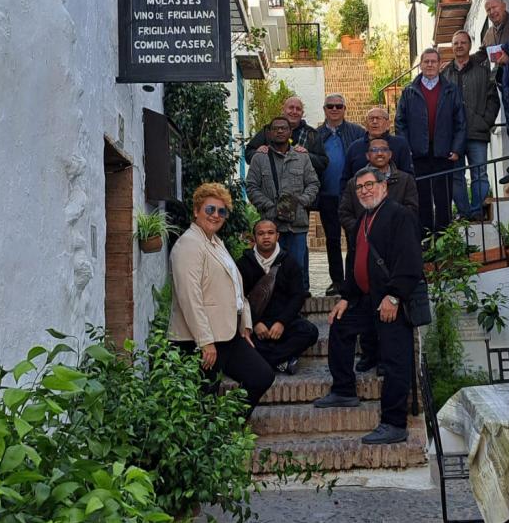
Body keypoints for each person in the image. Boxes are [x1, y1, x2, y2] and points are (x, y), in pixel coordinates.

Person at [314, 165, 423, 446]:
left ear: (383, 186)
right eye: (359, 187)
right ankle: (344, 389)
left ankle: (394, 423)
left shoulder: (399, 216)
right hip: (365, 299)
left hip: (390, 301)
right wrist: (346, 297)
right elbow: (355, 263)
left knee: (395, 360)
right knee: (340, 325)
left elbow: (410, 261)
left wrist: (395, 296)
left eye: (369, 185)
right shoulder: (363, 219)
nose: (364, 190)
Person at [168, 182, 275, 413]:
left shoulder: (216, 243)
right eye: (210, 209)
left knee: (261, 376)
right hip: (200, 339)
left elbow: (236, 287)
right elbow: (190, 297)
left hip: (228, 334)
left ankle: (227, 430)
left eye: (221, 211)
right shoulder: (189, 244)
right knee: (203, 400)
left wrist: (245, 324)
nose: (216, 215)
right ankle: (214, 442)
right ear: (196, 211)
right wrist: (205, 341)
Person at [244, 95, 327, 293]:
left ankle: (300, 301)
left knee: (297, 267)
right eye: (276, 129)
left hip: (297, 223)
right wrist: (269, 206)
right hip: (271, 224)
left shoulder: (302, 156)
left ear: (291, 132)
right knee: (272, 269)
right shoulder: (260, 158)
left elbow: (314, 183)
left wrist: (301, 202)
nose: (280, 131)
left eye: (284, 129)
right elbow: (252, 186)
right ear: (269, 133)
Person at [395, 47, 467, 237]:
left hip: (444, 152)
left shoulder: (451, 90)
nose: (429, 65)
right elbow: (400, 122)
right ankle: (425, 239)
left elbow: (460, 122)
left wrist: (457, 149)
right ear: (420, 65)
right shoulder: (409, 91)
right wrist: (406, 149)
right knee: (422, 197)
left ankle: (443, 237)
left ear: (439, 64)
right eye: (426, 61)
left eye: (433, 61)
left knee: (444, 196)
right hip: (418, 153)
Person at [236, 219, 320, 373]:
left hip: (283, 323)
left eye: (270, 233)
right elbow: (239, 298)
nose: (266, 237)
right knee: (239, 340)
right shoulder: (243, 264)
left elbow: (297, 296)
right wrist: (254, 322)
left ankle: (268, 360)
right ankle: (284, 359)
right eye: (261, 233)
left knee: (309, 331)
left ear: (278, 236)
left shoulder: (289, 262)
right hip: (257, 325)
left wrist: (281, 322)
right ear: (254, 237)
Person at [443, 29, 500, 218]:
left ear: (469, 45)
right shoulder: (444, 74)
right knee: (456, 176)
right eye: (455, 43)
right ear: (452, 47)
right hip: (452, 136)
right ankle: (464, 213)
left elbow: (493, 98)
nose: (459, 46)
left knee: (480, 174)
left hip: (477, 132)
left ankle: (477, 212)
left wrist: (485, 121)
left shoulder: (482, 71)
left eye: (463, 42)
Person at [316, 94, 366, 296]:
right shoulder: (316, 135)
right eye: (330, 106)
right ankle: (337, 281)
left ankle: (354, 279)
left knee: (355, 237)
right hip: (327, 194)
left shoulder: (357, 132)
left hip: (352, 195)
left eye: (339, 106)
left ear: (345, 109)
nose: (334, 109)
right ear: (324, 109)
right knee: (332, 239)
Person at [475, 0, 509, 187]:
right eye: (488, 10)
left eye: (494, 7)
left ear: (504, 5)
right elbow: (482, 55)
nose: (492, 12)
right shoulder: (489, 35)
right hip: (504, 84)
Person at [339, 136, 419, 237]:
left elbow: (412, 210)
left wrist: (392, 228)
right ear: (367, 156)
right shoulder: (354, 183)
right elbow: (345, 213)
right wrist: (361, 230)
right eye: (374, 150)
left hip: (397, 240)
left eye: (384, 149)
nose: (379, 153)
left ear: (390, 154)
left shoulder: (405, 180)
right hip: (364, 241)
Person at [341, 106, 414, 183]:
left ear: (387, 124)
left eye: (378, 118)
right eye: (371, 118)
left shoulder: (400, 145)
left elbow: (409, 177)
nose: (374, 121)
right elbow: (346, 180)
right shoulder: (355, 147)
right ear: (365, 124)